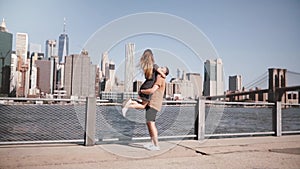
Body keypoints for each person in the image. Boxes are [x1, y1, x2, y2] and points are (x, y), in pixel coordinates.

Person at [122, 49, 166, 115]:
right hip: (148, 87)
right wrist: (162, 74)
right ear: (152, 57)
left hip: (144, 86)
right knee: (143, 106)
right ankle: (127, 106)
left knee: (143, 104)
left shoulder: (146, 67)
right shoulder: (155, 66)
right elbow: (163, 75)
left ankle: (130, 102)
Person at [140, 66, 168, 151]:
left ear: (164, 72)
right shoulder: (157, 78)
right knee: (149, 123)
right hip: (151, 103)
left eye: (163, 68)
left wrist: (141, 91)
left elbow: (152, 90)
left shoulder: (160, 79)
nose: (161, 68)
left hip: (154, 104)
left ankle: (156, 145)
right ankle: (152, 143)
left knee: (151, 123)